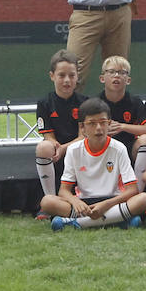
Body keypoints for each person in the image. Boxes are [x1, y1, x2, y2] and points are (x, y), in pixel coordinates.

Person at [40, 98, 146, 230]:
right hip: (84, 203)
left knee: (145, 199)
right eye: (92, 123)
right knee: (47, 202)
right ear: (82, 127)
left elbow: (132, 190)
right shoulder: (74, 150)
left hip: (112, 201)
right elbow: (64, 191)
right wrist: (75, 201)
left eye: (103, 122)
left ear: (109, 124)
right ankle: (118, 220)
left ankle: (77, 223)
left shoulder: (118, 148)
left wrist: (105, 205)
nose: (98, 128)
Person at [35, 50, 88, 218]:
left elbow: (83, 136)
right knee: (44, 147)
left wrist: (64, 149)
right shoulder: (44, 103)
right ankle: (50, 202)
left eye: (71, 75)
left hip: (78, 150)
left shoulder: (85, 103)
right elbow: (48, 136)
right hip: (56, 151)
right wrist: (56, 146)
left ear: (77, 76)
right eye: (62, 75)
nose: (67, 80)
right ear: (52, 76)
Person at [97, 55, 146, 194]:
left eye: (122, 72)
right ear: (102, 78)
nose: (116, 76)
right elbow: (83, 133)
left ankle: (136, 193)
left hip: (129, 149)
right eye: (111, 72)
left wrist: (122, 126)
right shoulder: (95, 102)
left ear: (128, 80)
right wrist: (103, 129)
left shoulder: (134, 102)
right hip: (102, 148)